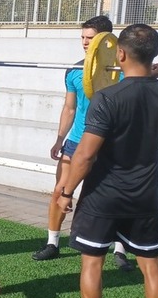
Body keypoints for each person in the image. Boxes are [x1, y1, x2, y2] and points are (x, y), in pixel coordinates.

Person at [57, 24, 158, 298]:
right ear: (153, 56)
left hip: (103, 197)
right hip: (144, 197)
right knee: (151, 267)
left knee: (92, 262)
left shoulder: (106, 99)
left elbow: (84, 156)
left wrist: (66, 192)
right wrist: (147, 78)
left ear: (120, 54)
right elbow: (144, 96)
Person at [32, 16, 134, 272]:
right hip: (77, 141)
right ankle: (53, 243)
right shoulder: (74, 70)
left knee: (116, 197)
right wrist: (59, 139)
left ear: (107, 41)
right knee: (60, 191)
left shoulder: (125, 73)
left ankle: (119, 250)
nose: (85, 42)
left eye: (91, 38)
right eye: (83, 37)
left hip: (112, 145)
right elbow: (69, 107)